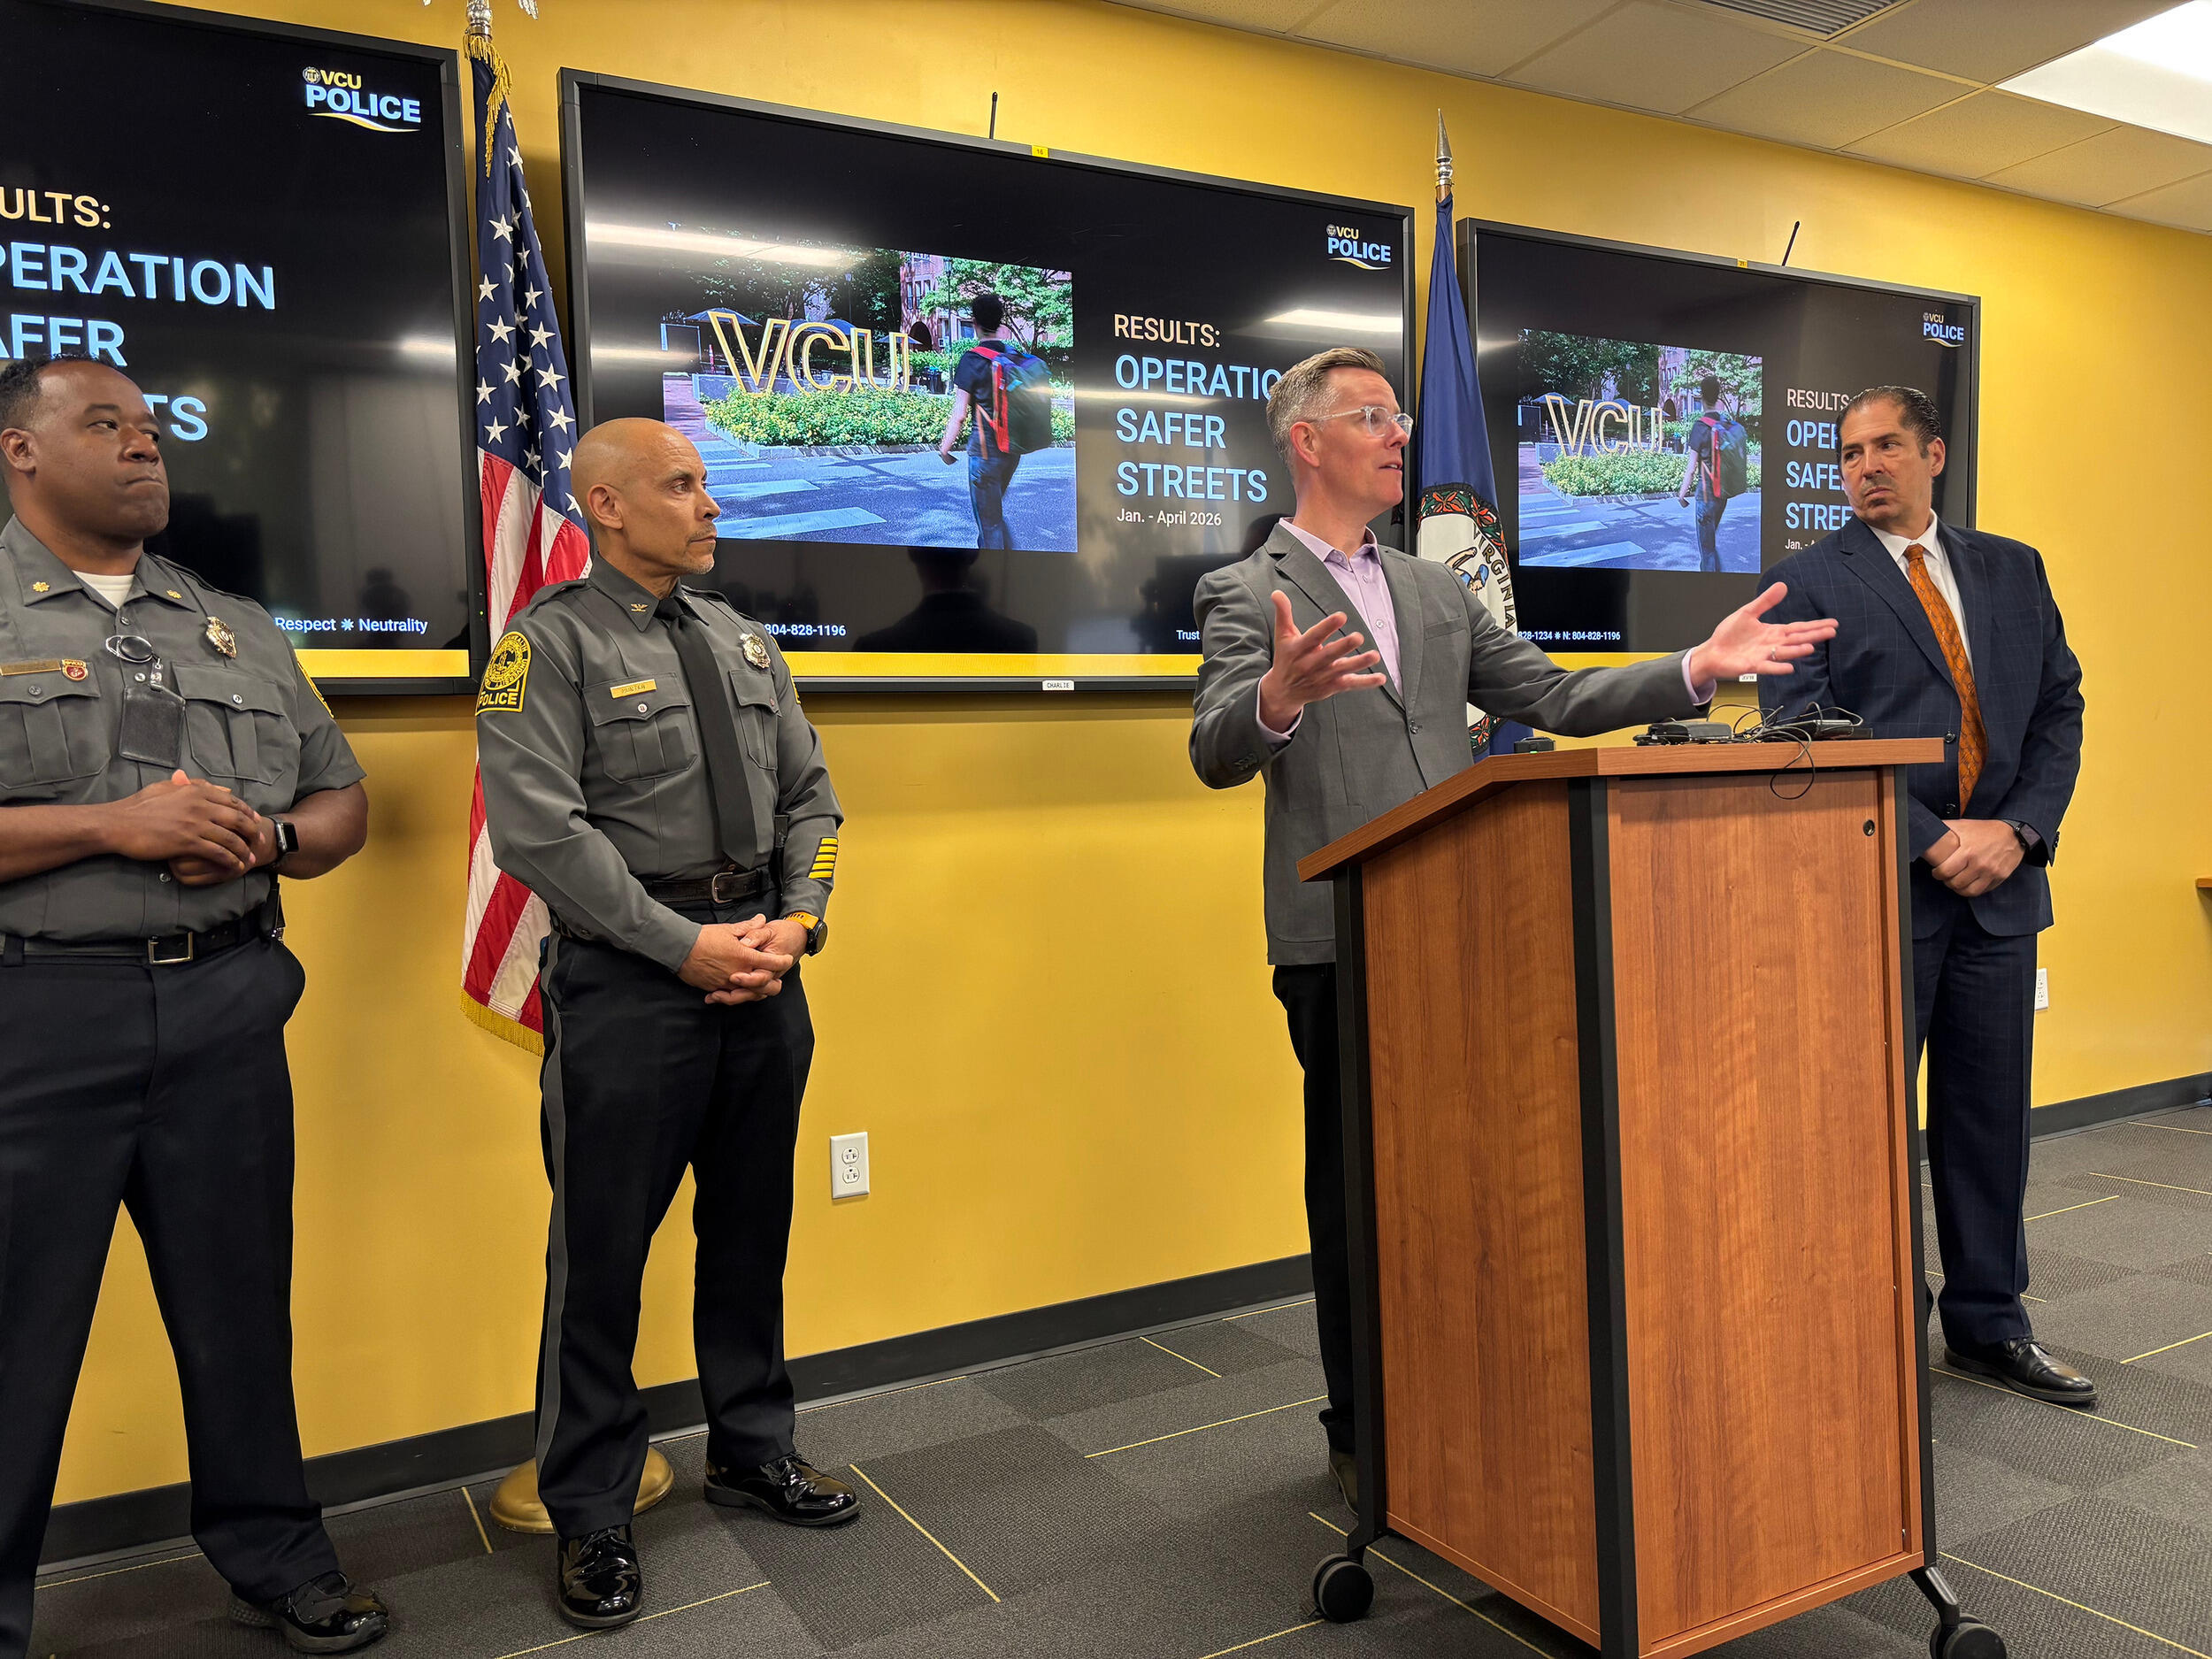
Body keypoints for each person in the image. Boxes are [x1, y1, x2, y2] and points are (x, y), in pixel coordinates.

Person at [1190, 346, 1838, 1509]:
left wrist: (1696, 665)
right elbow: (1213, 748)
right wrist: (1276, 699)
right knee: (1357, 1191)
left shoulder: (1441, 590)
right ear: (1309, 440)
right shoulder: (1248, 591)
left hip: (1469, 925)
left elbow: (1554, 699)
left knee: (1474, 1181)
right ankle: (1363, 1423)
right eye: (1373, 417)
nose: (1398, 434)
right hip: (1342, 935)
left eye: (1399, 416)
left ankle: (1464, 1394)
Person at [0, 357, 384, 1655]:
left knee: (237, 1309)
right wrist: (112, 821)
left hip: (224, 1010)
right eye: (102, 423)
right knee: (16, 1336)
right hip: (37, 1019)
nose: (142, 447)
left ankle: (278, 1558)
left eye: (151, 428)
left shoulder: (235, 626)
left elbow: (345, 804)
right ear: (19, 449)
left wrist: (270, 837)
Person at [475, 417, 855, 1632]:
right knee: (601, 1259)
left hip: (762, 968)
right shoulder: (546, 648)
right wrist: (681, 943)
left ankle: (752, 1443)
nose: (709, 506)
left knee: (752, 1230)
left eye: (705, 483)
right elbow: (542, 834)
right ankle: (591, 1507)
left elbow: (814, 797)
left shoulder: (744, 639)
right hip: (634, 984)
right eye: (681, 485)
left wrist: (798, 922)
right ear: (608, 506)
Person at [1761, 386, 2089, 1406]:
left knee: (1988, 1122)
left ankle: (1990, 1326)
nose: (1866, 466)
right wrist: (1934, 839)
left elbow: (2058, 710)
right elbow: (1799, 731)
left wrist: (2020, 831)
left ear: (1931, 454)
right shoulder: (1809, 579)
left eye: (1887, 446)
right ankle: (1863, 1333)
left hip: (2001, 892)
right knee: (1861, 1125)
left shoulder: (2010, 567)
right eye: (1851, 452)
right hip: (1880, 891)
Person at [936, 292, 1023, 550]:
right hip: (1012, 450)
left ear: (974, 322)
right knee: (992, 516)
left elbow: (960, 413)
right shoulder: (1014, 355)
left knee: (990, 523)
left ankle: (998, 583)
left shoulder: (972, 359)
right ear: (999, 321)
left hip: (984, 454)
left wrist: (944, 447)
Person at [1676, 373, 1732, 572]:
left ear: (1701, 396)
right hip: (1722, 496)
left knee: (1707, 550)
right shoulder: (1725, 424)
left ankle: (1710, 591)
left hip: (1706, 496)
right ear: (1717, 396)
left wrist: (1682, 494)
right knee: (1710, 544)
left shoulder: (1700, 427)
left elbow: (1691, 468)